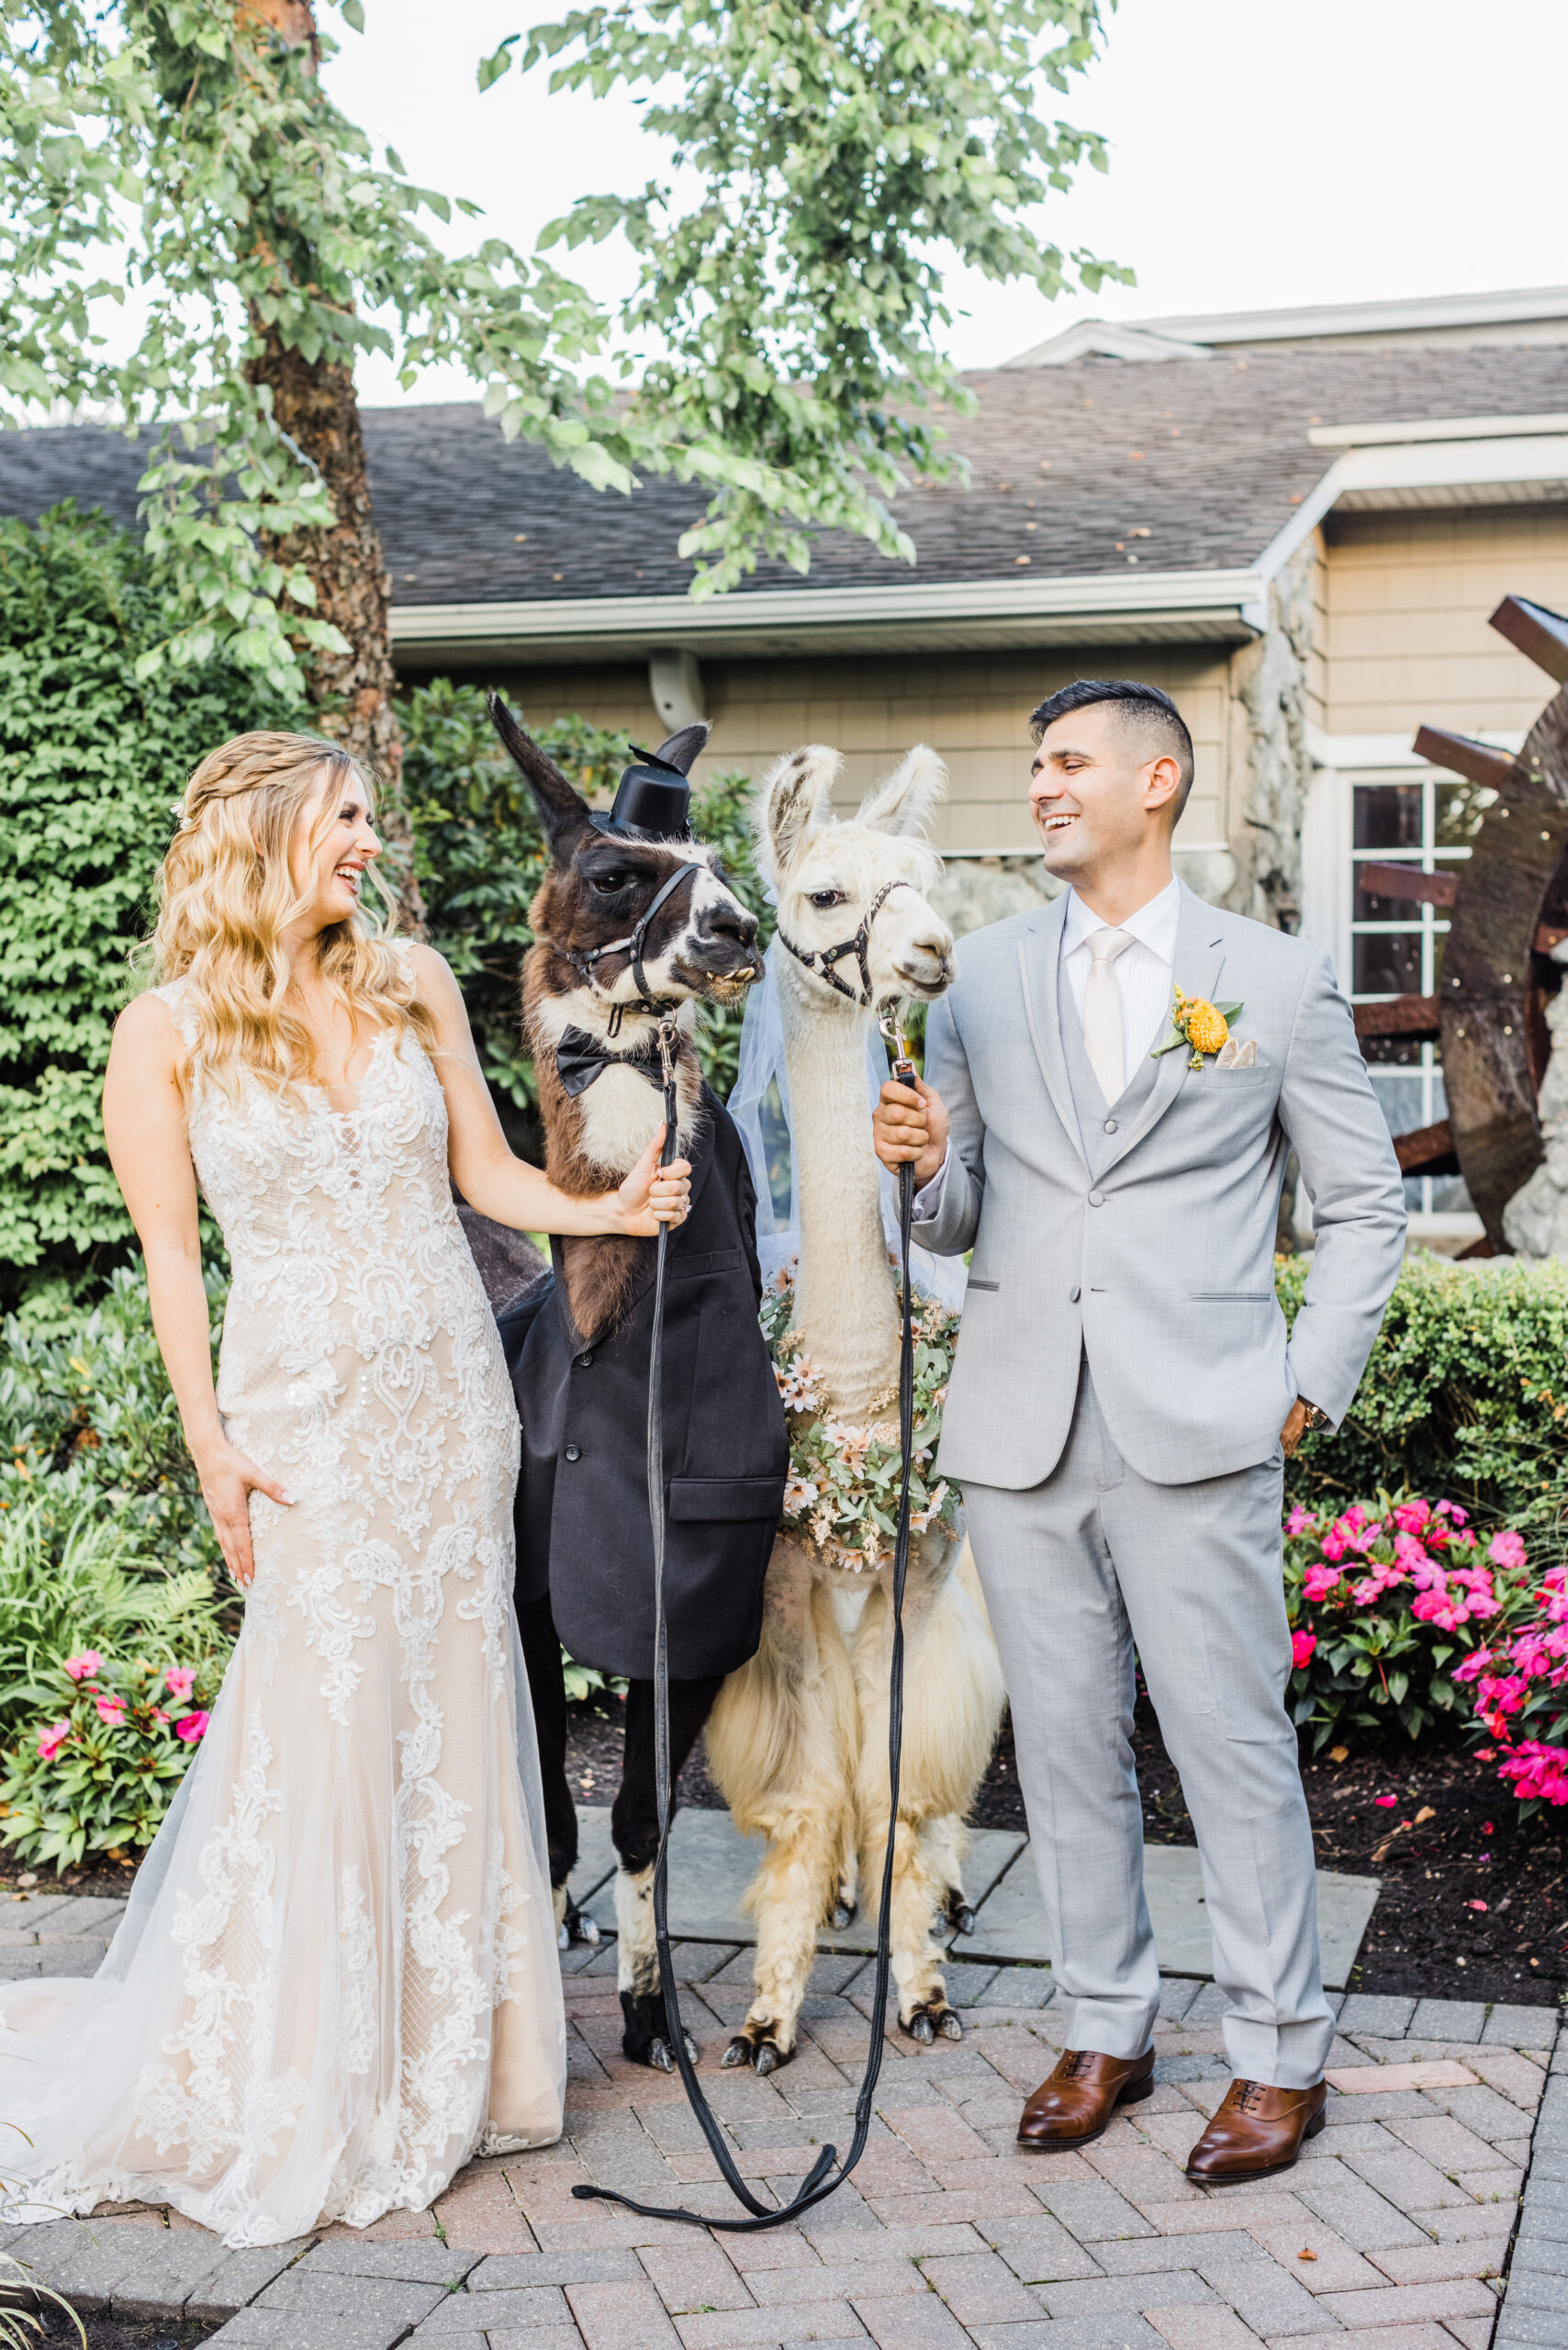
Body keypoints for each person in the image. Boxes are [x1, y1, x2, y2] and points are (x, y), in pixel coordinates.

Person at [0, 730, 690, 2247]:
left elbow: (487, 1178)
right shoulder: (164, 1031)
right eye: (346, 817)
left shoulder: (413, 981)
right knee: (323, 1715)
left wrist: (618, 1210)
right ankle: (311, 2067)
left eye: (370, 817)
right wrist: (210, 1443)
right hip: (303, 1417)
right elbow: (171, 1259)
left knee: (454, 1702)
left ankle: (460, 2067)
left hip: (448, 1407)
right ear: (263, 831)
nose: (370, 841)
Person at [873, 679, 1405, 2180]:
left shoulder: (1273, 982)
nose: (1043, 787)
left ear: (1156, 780)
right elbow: (954, 1214)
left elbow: (1366, 1206)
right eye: (1036, 766)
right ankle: (1106, 2025)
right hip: (1021, 1428)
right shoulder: (975, 979)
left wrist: (1305, 1383)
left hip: (1203, 1422)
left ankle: (1279, 2053)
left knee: (1232, 1744)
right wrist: (919, 1165)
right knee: (1062, 1748)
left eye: (1070, 763)